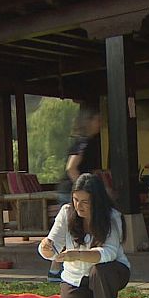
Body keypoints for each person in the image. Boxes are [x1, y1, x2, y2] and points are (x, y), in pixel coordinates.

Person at [38, 174, 130, 298]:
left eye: (85, 202)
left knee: (99, 270)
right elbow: (53, 249)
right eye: (75, 200)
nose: (79, 206)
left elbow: (109, 253)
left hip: (109, 272)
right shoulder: (66, 213)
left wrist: (76, 255)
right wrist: (45, 247)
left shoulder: (112, 217)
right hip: (75, 277)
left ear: (97, 202)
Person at [49, 108, 102, 282]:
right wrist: (84, 189)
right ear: (89, 121)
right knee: (69, 229)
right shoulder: (82, 143)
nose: (100, 123)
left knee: (79, 229)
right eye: (97, 119)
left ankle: (65, 266)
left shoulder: (92, 143)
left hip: (81, 190)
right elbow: (71, 168)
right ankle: (55, 268)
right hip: (71, 190)